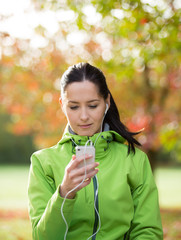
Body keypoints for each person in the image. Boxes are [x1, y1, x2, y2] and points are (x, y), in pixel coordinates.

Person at [28, 62, 163, 240]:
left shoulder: (134, 160)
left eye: (92, 105)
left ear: (106, 102)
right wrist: (64, 193)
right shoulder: (42, 162)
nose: (84, 116)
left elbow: (148, 232)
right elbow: (43, 237)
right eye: (74, 107)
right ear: (62, 105)